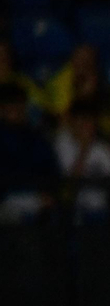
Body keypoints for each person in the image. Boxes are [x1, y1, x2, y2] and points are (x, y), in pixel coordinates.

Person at [55, 98, 110, 222]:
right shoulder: (63, 143)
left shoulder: (102, 148)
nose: (86, 126)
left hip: (101, 210)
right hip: (74, 210)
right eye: (82, 120)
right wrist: (84, 149)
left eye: (90, 121)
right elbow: (69, 184)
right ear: (73, 122)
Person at [0, 82, 56, 224]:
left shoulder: (35, 136)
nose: (17, 110)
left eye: (20, 105)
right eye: (11, 105)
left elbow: (50, 167)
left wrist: (47, 192)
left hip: (35, 197)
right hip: (7, 199)